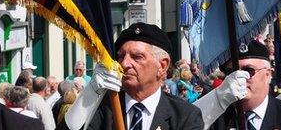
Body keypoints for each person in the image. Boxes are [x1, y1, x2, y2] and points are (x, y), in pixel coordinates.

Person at [61, 22, 203, 129]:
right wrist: (91, 92)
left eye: (136, 57)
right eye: (121, 56)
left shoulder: (185, 116)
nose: (124, 64)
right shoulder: (104, 109)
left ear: (162, 65)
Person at [197, 40, 281, 130]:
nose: (239, 77)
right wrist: (218, 99)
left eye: (248, 70)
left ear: (268, 75)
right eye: (231, 71)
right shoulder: (215, 119)